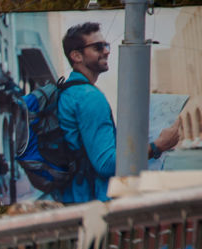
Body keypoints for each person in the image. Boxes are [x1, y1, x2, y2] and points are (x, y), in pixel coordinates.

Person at [55, 22, 181, 203]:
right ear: (76, 56)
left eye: (106, 46)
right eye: (98, 47)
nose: (106, 51)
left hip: (73, 201)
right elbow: (106, 164)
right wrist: (157, 146)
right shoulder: (88, 97)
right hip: (92, 207)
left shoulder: (68, 92)